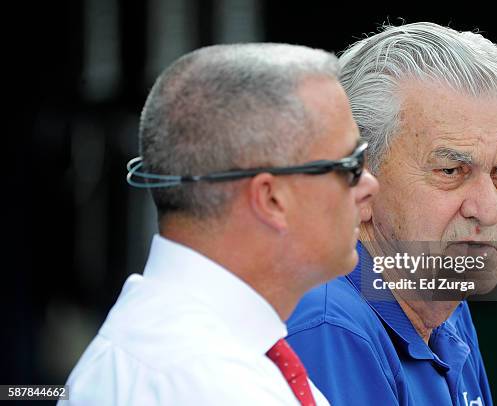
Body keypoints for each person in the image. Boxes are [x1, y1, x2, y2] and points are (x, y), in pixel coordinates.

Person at [60, 43, 379, 405]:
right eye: (350, 164)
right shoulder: (213, 384)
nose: (369, 185)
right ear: (271, 199)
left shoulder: (194, 351)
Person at [287, 22, 497, 405]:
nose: (487, 210)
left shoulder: (442, 300)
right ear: (358, 181)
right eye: (451, 171)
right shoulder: (330, 324)